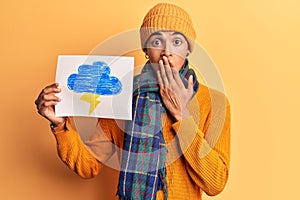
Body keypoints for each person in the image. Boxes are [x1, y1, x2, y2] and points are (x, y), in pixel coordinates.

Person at [35, 3, 230, 200]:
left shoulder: (214, 102)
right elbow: (88, 166)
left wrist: (183, 117)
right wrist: (60, 124)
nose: (166, 52)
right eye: (156, 42)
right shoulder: (122, 96)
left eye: (177, 41)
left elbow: (215, 183)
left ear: (188, 49)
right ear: (146, 49)